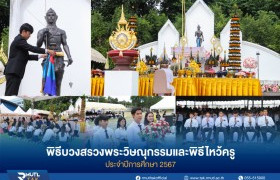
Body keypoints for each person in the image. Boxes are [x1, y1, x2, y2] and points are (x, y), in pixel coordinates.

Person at [4, 23, 55, 95]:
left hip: (16, 72)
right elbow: (32, 48)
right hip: (13, 71)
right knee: (10, 94)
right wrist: (47, 50)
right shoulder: (19, 40)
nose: (29, 36)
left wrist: (40, 56)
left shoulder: (21, 42)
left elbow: (27, 57)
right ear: (23, 31)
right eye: (29, 33)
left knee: (13, 94)